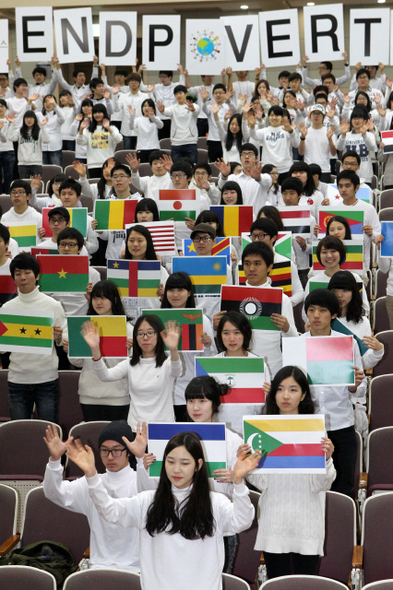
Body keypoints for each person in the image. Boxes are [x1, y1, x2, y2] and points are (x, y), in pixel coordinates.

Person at [65, 428, 260, 590]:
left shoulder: (214, 502)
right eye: (171, 461)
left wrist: (239, 481)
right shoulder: (148, 501)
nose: (176, 469)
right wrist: (91, 475)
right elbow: (110, 511)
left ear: (198, 465)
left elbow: (242, 521)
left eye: (185, 463)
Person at [246, 365, 336, 579]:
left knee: (306, 584)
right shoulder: (261, 427)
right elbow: (261, 482)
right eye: (280, 389)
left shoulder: (316, 428)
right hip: (274, 522)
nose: (285, 395)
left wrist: (327, 459)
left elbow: (321, 484)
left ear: (304, 394)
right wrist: (250, 465)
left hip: (307, 524)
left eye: (293, 389)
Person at [43, 421, 141, 571]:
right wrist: (55, 461)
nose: (110, 457)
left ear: (128, 451)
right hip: (98, 567)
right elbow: (53, 492)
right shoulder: (91, 481)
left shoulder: (140, 482)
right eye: (104, 450)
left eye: (116, 450)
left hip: (136, 568)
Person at [303, 288, 366, 496]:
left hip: (341, 426)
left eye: (322, 310)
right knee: (309, 490)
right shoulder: (297, 345)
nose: (316, 315)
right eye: (311, 310)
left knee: (342, 489)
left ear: (334, 314)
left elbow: (359, 391)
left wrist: (354, 385)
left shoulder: (347, 344)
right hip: (306, 426)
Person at [81, 314, 182, 430]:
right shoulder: (129, 364)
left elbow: (177, 371)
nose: (145, 338)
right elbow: (105, 376)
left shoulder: (168, 363)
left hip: (163, 428)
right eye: (140, 333)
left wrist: (174, 350)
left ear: (159, 335)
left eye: (150, 332)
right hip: (135, 429)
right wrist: (95, 350)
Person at [0, 253, 67, 421]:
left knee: (49, 431)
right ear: (13, 277)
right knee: (19, 432)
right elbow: (2, 349)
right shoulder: (7, 308)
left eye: (27, 272)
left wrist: (58, 337)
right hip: (17, 379)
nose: (23, 277)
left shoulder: (53, 305)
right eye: (18, 273)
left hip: (46, 379)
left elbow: (64, 338)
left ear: (37, 275)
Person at [64, 280, 133, 421]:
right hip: (89, 394)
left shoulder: (127, 329)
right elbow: (77, 362)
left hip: (117, 395)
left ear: (114, 300)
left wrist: (132, 350)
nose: (98, 302)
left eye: (103, 297)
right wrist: (70, 350)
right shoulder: (84, 327)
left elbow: (132, 365)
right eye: (95, 297)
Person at [161, 271, 215, 421]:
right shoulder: (157, 320)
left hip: (192, 392)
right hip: (165, 391)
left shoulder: (202, 320)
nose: (175, 294)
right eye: (171, 290)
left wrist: (208, 346)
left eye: (180, 290)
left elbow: (210, 360)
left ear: (189, 292)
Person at [214, 311, 264, 433]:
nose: (232, 338)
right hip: (220, 430)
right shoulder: (212, 364)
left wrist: (269, 394)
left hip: (250, 429)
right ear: (220, 335)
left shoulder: (257, 364)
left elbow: (263, 405)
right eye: (226, 333)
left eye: (237, 333)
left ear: (245, 334)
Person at [327, 271, 384, 371]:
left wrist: (378, 351)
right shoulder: (323, 319)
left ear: (353, 293)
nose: (339, 295)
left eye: (345, 290)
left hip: (353, 377)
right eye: (335, 290)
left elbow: (364, 363)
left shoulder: (363, 322)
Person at [249, 218, 304, 307]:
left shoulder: (287, 263)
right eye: (253, 236)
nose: (256, 240)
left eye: (261, 236)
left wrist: (284, 304)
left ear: (274, 237)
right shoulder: (243, 265)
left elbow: (300, 293)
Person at [246, 105, 300, 183]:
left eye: (277, 115)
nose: (274, 117)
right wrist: (252, 126)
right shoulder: (265, 131)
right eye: (271, 115)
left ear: (282, 117)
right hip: (268, 170)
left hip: (285, 169)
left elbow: (296, 144)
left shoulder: (288, 130)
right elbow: (253, 135)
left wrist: (291, 131)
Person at [76, 104, 122, 178]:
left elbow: (118, 139)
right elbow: (80, 142)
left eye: (100, 112)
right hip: (93, 164)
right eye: (95, 113)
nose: (97, 115)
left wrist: (108, 128)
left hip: (108, 164)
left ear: (104, 113)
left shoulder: (112, 127)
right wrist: (81, 130)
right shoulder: (88, 130)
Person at [335, 105, 377, 185]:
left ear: (364, 120)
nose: (357, 121)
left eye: (359, 118)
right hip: (346, 174)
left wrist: (364, 135)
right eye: (354, 118)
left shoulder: (369, 135)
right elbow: (338, 147)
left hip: (365, 174)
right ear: (351, 121)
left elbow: (373, 147)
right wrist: (343, 135)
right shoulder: (346, 135)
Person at [157, 85, 200, 163]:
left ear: (186, 94)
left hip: (190, 142)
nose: (178, 96)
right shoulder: (173, 108)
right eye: (176, 94)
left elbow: (196, 110)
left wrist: (193, 109)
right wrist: (162, 111)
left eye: (180, 93)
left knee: (192, 167)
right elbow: (166, 112)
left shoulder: (193, 106)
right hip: (176, 143)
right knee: (176, 169)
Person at [58, 178, 98, 258]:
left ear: (78, 197)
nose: (66, 197)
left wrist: (83, 243)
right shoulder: (53, 219)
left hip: (83, 262)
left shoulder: (88, 220)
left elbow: (95, 247)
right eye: (63, 194)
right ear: (59, 196)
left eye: (70, 194)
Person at [298, 105, 336, 182]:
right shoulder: (304, 132)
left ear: (324, 117)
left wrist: (330, 139)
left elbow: (333, 153)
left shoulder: (329, 132)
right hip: (308, 169)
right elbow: (300, 152)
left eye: (319, 114)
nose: (316, 116)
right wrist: (302, 138)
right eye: (314, 113)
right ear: (310, 116)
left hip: (324, 170)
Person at [7, 110, 49, 178]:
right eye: (27, 118)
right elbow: (11, 137)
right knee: (24, 186)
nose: (29, 120)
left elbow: (46, 140)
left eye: (31, 118)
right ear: (24, 120)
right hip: (23, 163)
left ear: (35, 119)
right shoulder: (20, 131)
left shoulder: (39, 131)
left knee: (36, 186)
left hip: (36, 163)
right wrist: (12, 124)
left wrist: (43, 127)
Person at [36, 95, 65, 167]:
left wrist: (55, 105)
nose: (48, 104)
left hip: (55, 147)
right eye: (46, 102)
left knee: (56, 171)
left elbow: (63, 118)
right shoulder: (39, 115)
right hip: (42, 147)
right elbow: (28, 115)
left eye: (50, 102)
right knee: (44, 172)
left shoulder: (57, 115)